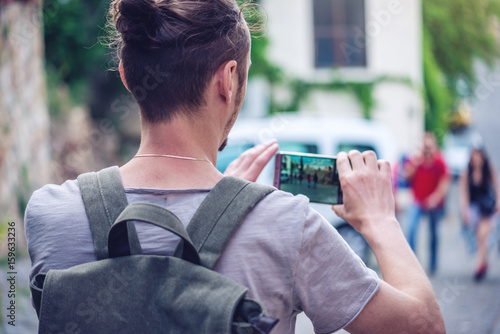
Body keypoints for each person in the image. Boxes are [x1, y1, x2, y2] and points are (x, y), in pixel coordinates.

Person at [24, 0, 445, 333]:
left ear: (127, 77)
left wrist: (226, 207)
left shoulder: (48, 215)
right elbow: (425, 327)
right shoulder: (287, 227)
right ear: (228, 80)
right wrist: (380, 219)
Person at [404, 132, 450, 275]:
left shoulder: (439, 161)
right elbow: (406, 177)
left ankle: (433, 264)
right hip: (418, 200)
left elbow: (444, 181)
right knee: (411, 229)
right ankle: (413, 262)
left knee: (433, 233)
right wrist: (416, 164)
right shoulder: (416, 160)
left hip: (434, 203)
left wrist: (436, 197)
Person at [459, 147, 500, 281]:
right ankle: (484, 262)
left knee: (483, 235)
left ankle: (479, 265)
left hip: (488, 209)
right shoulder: (466, 173)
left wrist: (498, 202)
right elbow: (464, 193)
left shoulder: (489, 170)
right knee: (480, 237)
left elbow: (496, 187)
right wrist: (464, 210)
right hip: (474, 209)